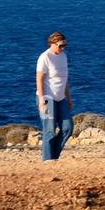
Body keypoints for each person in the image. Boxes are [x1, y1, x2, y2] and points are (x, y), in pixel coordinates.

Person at [36, 31, 73, 160]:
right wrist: (41, 100)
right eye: (60, 45)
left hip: (61, 98)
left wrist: (68, 98)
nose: (62, 48)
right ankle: (48, 159)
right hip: (47, 99)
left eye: (64, 46)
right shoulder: (44, 57)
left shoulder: (63, 56)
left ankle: (53, 156)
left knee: (68, 128)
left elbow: (65, 79)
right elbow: (39, 79)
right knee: (49, 130)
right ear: (53, 43)